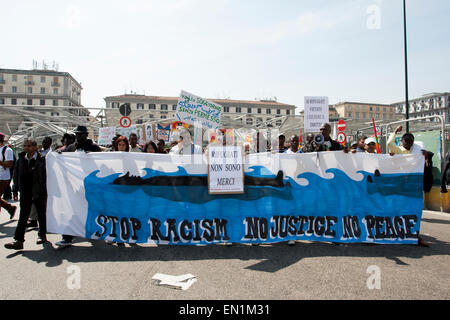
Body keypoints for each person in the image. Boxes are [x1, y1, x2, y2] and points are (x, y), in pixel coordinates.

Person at [55, 125, 102, 248]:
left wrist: (91, 157)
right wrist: (60, 155)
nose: (78, 136)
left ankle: (94, 230)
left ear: (86, 135)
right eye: (77, 134)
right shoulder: (71, 148)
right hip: (74, 186)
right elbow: (63, 161)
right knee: (71, 210)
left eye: (81, 134)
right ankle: (67, 237)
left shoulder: (94, 148)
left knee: (90, 209)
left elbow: (100, 164)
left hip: (89, 186)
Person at [387, 125, 430, 247]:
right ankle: (398, 233)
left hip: (413, 186)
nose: (409, 143)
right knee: (398, 210)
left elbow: (425, 167)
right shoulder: (398, 151)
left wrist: (425, 158)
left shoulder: (417, 152)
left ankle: (414, 235)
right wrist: (395, 131)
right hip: (400, 186)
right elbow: (390, 143)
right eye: (406, 141)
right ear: (402, 141)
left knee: (414, 210)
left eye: (411, 141)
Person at [4, 138, 48, 250]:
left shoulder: (43, 160)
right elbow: (16, 175)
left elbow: (47, 176)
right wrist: (15, 189)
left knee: (41, 215)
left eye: (29, 146)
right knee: (23, 216)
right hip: (25, 192)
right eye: (25, 146)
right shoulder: (21, 159)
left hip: (39, 192)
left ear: (35, 147)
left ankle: (42, 235)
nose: (26, 148)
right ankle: (18, 240)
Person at [0, 132, 17, 220]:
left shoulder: (7, 150)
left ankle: (10, 208)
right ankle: (10, 208)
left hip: (3, 177)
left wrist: (0, 162)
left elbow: (10, 164)